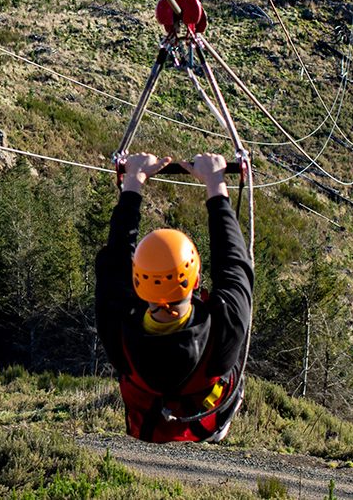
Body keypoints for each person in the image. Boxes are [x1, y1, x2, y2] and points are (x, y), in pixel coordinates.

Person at [95, 152, 253, 443]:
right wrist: (215, 183)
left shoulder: (119, 329)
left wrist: (133, 180)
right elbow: (234, 263)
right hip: (206, 426)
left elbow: (117, 260)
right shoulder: (222, 329)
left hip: (148, 429)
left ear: (138, 281)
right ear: (194, 281)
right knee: (232, 374)